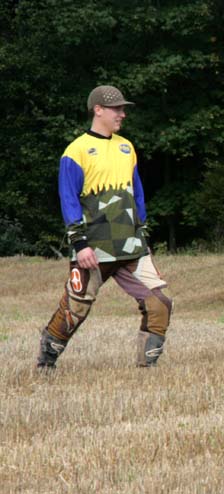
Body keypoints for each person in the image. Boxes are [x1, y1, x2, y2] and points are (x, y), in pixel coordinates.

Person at [37, 85, 172, 369]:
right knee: (75, 309)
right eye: (116, 109)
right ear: (98, 110)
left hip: (131, 246)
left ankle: (147, 369)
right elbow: (68, 198)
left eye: (123, 109)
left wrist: (142, 235)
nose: (122, 114)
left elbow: (137, 193)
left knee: (160, 302)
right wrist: (79, 244)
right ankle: (46, 362)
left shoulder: (126, 147)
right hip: (93, 249)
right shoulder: (76, 151)